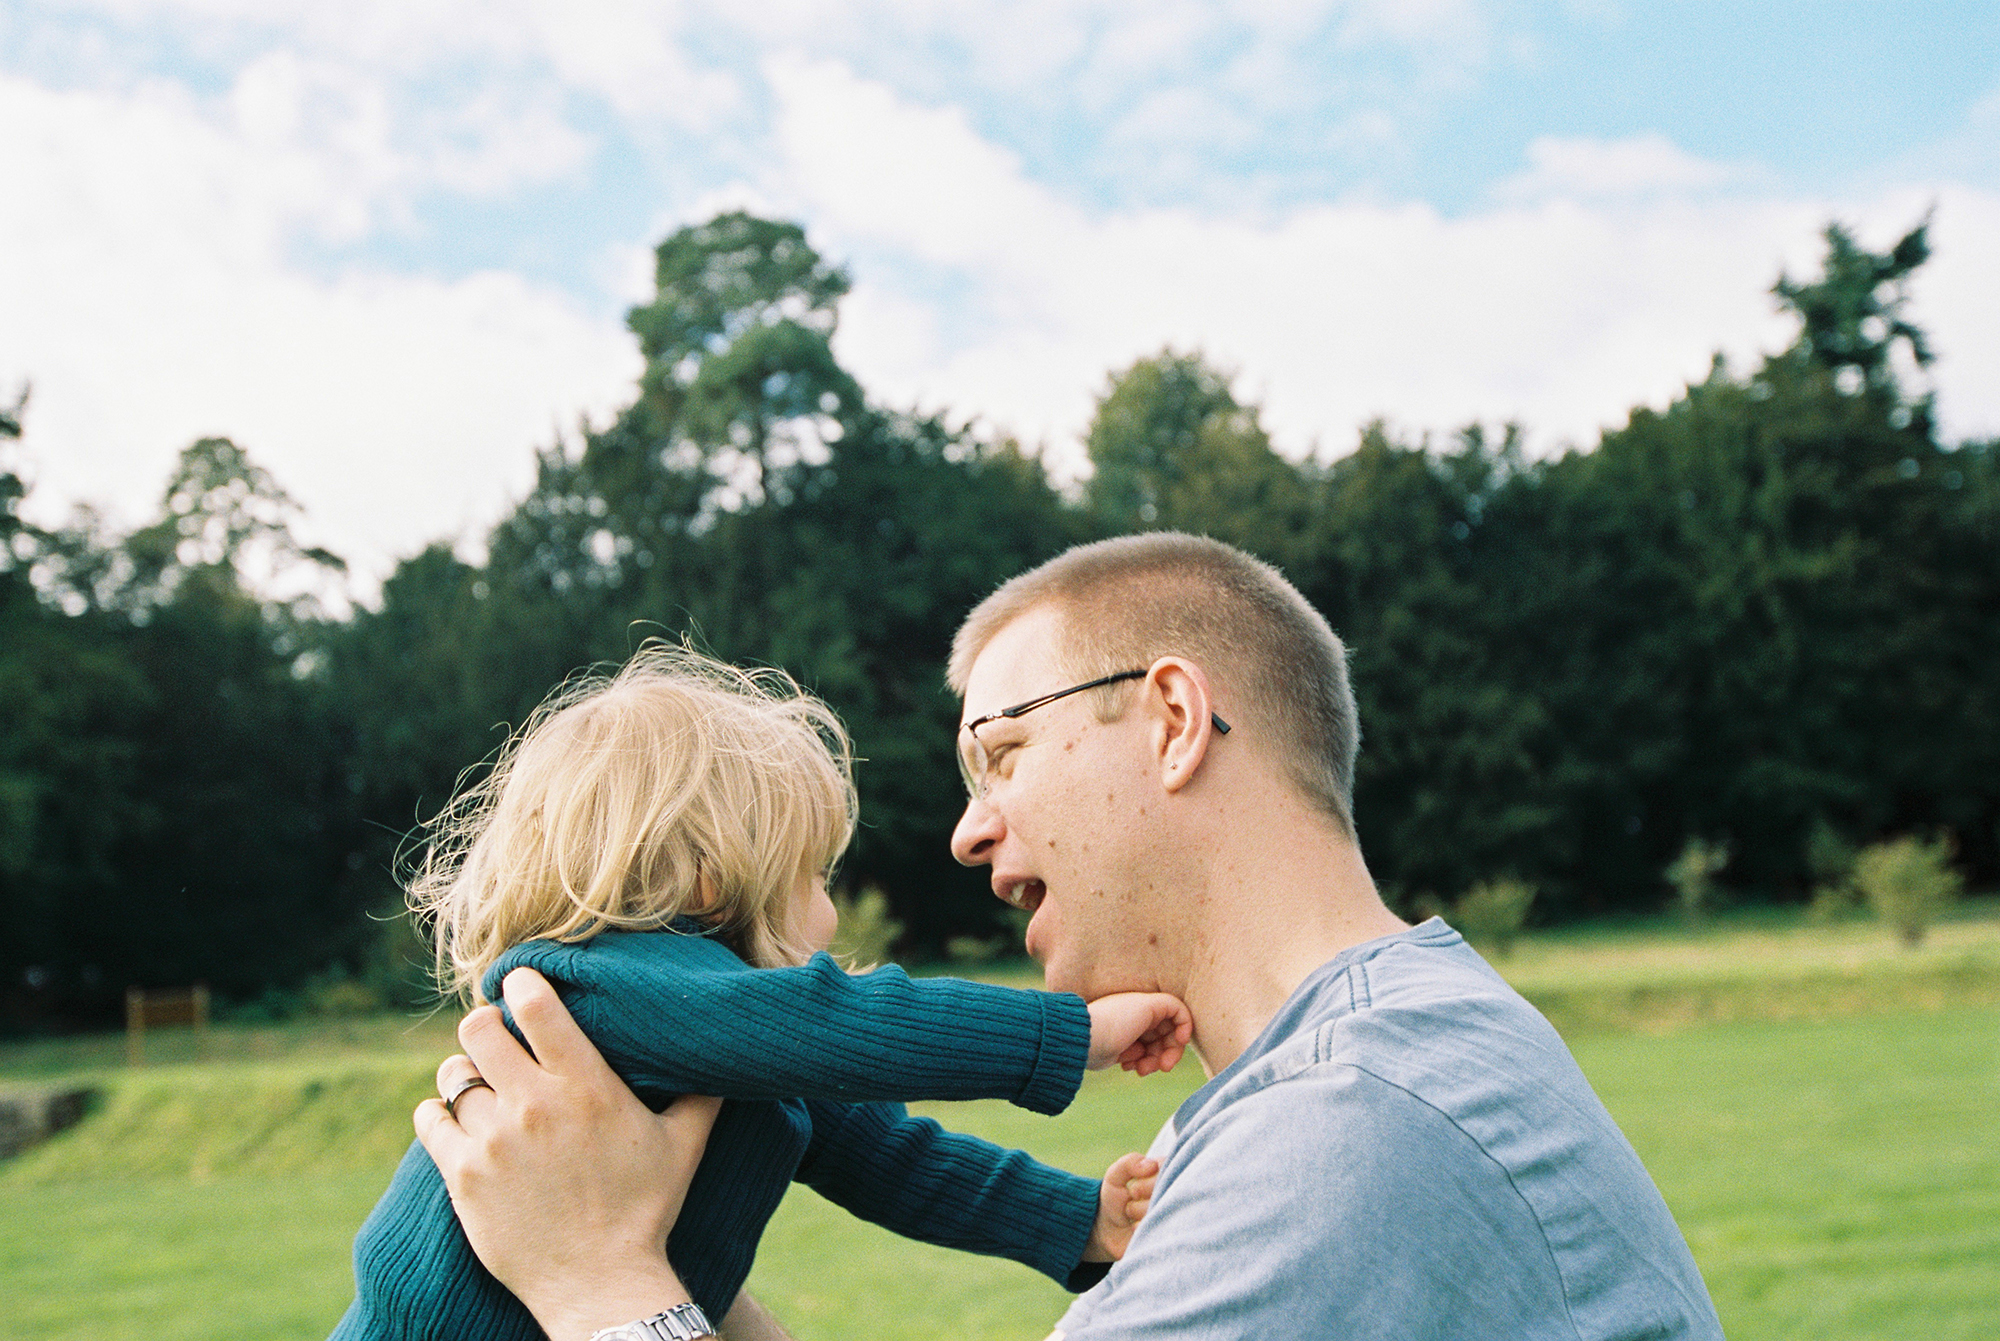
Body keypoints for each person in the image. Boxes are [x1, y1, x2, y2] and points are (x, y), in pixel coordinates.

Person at [421, 535, 1727, 1341]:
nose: (964, 834)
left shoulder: (1345, 1135)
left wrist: (599, 1284)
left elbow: (874, 1128)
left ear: (1172, 720)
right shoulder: (1328, 1078)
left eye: (1002, 755)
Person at [335, 643, 1192, 1341]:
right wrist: (1069, 1033)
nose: (829, 914)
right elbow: (841, 1021)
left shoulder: (744, 1052)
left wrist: (1082, 1220)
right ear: (711, 877)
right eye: (815, 873)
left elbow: (899, 1161)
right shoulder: (600, 985)